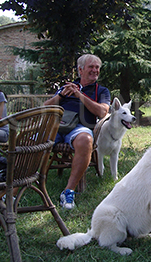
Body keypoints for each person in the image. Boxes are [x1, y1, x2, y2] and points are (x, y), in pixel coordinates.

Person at [44, 54, 111, 210]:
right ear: (80, 70)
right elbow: (44, 108)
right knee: (31, 139)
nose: (95, 70)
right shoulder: (66, 87)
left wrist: (79, 95)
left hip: (79, 128)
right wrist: (61, 95)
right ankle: (13, 191)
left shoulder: (102, 91)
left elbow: (102, 112)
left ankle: (68, 191)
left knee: (86, 140)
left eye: (97, 67)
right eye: (91, 67)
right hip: (56, 125)